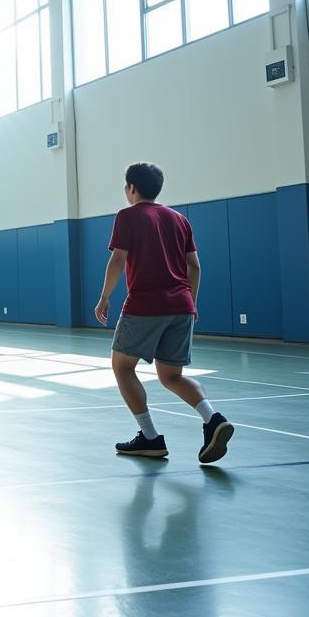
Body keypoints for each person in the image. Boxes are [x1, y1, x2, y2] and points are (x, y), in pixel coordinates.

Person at [96, 163, 234, 464]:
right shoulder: (179, 219)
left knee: (122, 367)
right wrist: (191, 303)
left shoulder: (127, 216)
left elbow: (118, 260)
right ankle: (213, 419)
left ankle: (149, 437)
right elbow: (194, 266)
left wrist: (105, 297)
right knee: (171, 375)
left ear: (131, 188)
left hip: (145, 304)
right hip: (182, 306)